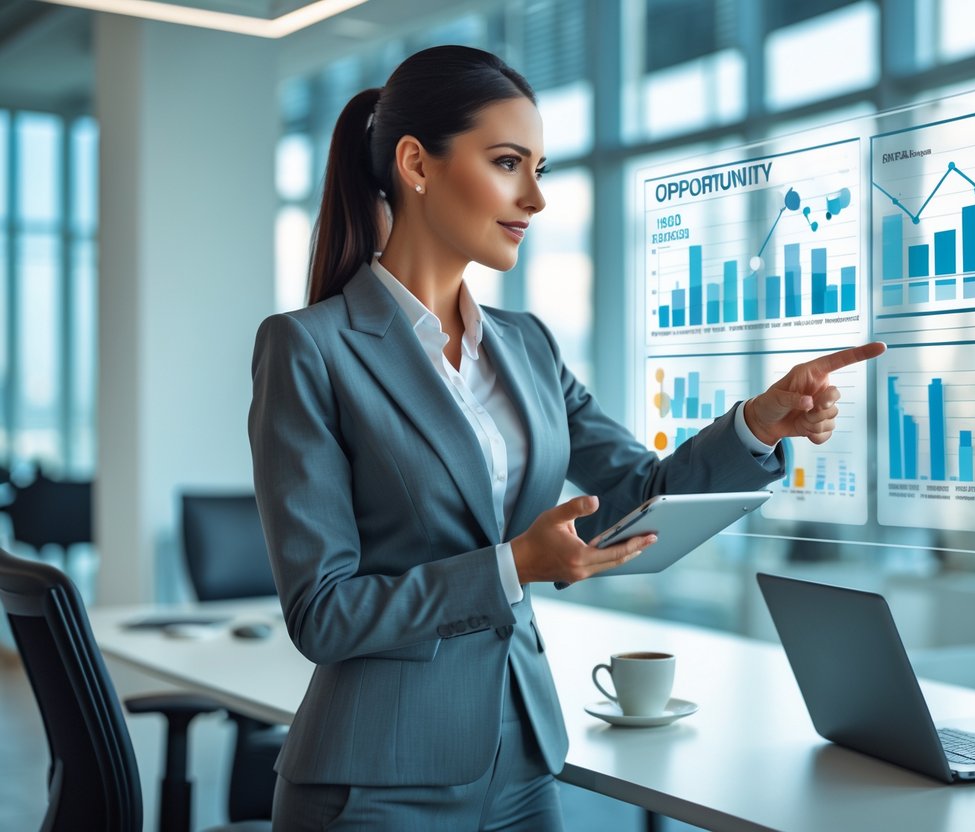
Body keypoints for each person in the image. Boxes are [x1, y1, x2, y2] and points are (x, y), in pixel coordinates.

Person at [248, 44, 884, 831]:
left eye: (540, 168)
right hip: (377, 778)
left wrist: (756, 424)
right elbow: (323, 615)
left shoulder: (528, 346)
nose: (535, 199)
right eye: (508, 162)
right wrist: (513, 565)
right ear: (416, 163)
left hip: (522, 760)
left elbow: (631, 495)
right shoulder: (310, 347)